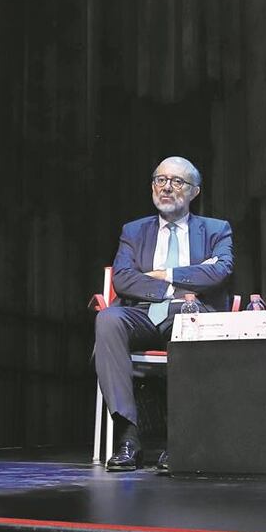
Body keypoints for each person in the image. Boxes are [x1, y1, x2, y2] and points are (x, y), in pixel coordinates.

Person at [94, 156, 234, 472]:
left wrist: (164, 273)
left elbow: (221, 271)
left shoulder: (215, 230)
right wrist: (173, 287)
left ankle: (180, 441)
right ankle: (128, 439)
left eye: (177, 182)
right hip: (142, 313)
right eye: (160, 180)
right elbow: (123, 278)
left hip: (188, 314)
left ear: (195, 192)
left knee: (190, 317)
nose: (166, 187)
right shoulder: (133, 231)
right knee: (107, 320)